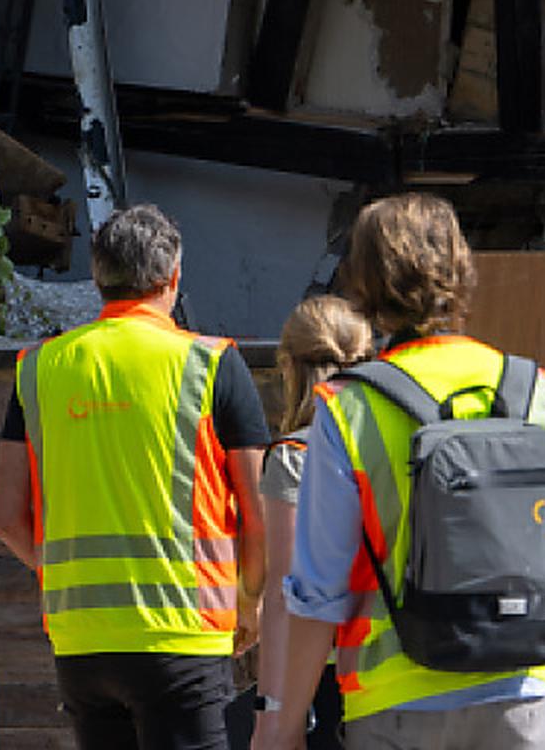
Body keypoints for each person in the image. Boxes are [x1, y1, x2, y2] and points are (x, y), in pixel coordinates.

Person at [254, 195, 545, 750]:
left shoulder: (350, 408)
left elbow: (319, 592)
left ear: (363, 283)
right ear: (460, 269)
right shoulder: (534, 391)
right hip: (518, 699)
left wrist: (282, 723)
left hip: (396, 706)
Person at [0, 203, 271, 750]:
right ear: (173, 277)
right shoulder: (210, 364)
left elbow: (5, 518)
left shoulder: (39, 368)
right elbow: (259, 516)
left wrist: (61, 570)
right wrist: (250, 603)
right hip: (183, 637)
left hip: (81, 641)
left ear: (98, 279)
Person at [250, 297, 374, 750]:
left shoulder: (296, 456)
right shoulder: (393, 439)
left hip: (323, 671)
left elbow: (285, 590)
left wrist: (275, 714)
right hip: (397, 671)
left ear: (289, 366)